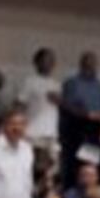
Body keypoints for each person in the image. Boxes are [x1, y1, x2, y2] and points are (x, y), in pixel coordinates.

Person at [59, 52, 100, 190]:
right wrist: (86, 114)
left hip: (94, 132)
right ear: (81, 64)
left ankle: (90, 192)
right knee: (75, 167)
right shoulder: (72, 83)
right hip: (76, 130)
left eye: (93, 63)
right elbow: (66, 106)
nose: (91, 66)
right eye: (88, 62)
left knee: (91, 165)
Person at [18, 48, 61, 178]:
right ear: (37, 62)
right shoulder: (29, 81)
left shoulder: (57, 84)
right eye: (45, 60)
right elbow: (20, 104)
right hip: (33, 134)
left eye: (51, 60)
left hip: (52, 134)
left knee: (52, 171)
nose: (49, 63)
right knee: (31, 169)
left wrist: (60, 101)